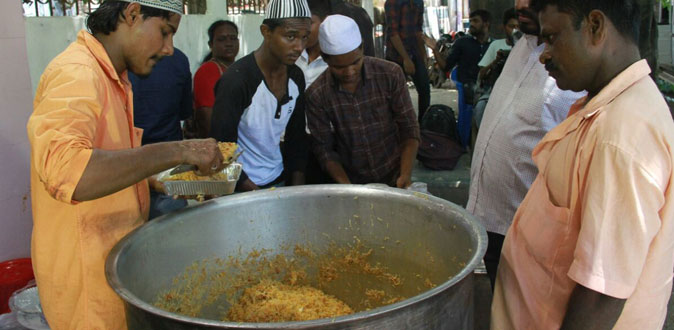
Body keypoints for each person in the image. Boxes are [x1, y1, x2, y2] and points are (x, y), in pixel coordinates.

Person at [26, 1, 226, 328]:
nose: (168, 49)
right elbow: (67, 172)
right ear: (132, 14)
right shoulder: (78, 73)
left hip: (116, 269)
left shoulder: (113, 78)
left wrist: (155, 180)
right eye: (164, 32)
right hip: (88, 294)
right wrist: (180, 150)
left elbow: (106, 160)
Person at [491, 0, 674, 329]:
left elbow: (602, 293)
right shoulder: (607, 107)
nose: (545, 54)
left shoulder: (620, 137)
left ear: (595, 27)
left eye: (552, 38)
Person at [467, 0, 584, 291]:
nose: (521, 4)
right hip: (489, 216)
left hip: (529, 232)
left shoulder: (577, 65)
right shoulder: (522, 45)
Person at [306, 15, 420, 187]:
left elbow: (409, 129)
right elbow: (325, 151)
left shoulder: (390, 74)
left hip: (394, 175)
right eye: (339, 67)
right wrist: (349, 189)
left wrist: (405, 175)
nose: (349, 72)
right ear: (325, 59)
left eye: (355, 62)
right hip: (351, 181)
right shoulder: (317, 94)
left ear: (362, 49)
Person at [210, 0, 311, 192]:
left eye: (304, 37)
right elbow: (221, 147)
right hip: (240, 187)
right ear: (266, 32)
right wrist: (253, 192)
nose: (299, 47)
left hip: (278, 180)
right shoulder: (237, 81)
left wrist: (297, 190)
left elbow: (296, 137)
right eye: (290, 36)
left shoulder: (295, 77)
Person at [128, 47, 192, 219]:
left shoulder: (177, 59)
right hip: (150, 171)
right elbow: (185, 112)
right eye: (165, 31)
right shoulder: (178, 59)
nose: (168, 47)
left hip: (151, 172)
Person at [425, 10, 492, 148]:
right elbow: (445, 66)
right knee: (467, 115)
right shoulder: (462, 43)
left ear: (486, 24)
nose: (471, 24)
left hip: (489, 88)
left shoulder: (495, 45)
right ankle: (463, 144)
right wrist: (435, 51)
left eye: (475, 21)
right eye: (471, 21)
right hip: (466, 86)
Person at [192, 20, 239, 138]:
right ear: (211, 44)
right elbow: (207, 119)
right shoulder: (207, 71)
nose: (229, 43)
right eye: (222, 39)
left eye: (233, 38)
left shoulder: (239, 69)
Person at [384, 0, 430, 122]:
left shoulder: (419, 2)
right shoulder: (392, 2)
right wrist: (406, 59)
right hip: (396, 55)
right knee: (397, 95)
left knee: (425, 89)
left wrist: (424, 55)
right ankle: (398, 127)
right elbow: (393, 33)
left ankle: (423, 127)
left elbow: (418, 30)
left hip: (414, 51)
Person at [477, 8, 518, 84]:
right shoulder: (496, 45)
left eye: (518, 27)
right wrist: (496, 61)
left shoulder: (529, 48)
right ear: (504, 27)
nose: (515, 31)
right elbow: (481, 75)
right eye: (511, 26)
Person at [296, 1, 329, 88]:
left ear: (325, 22)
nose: (302, 31)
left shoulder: (334, 60)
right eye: (299, 24)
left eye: (310, 23)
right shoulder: (292, 55)